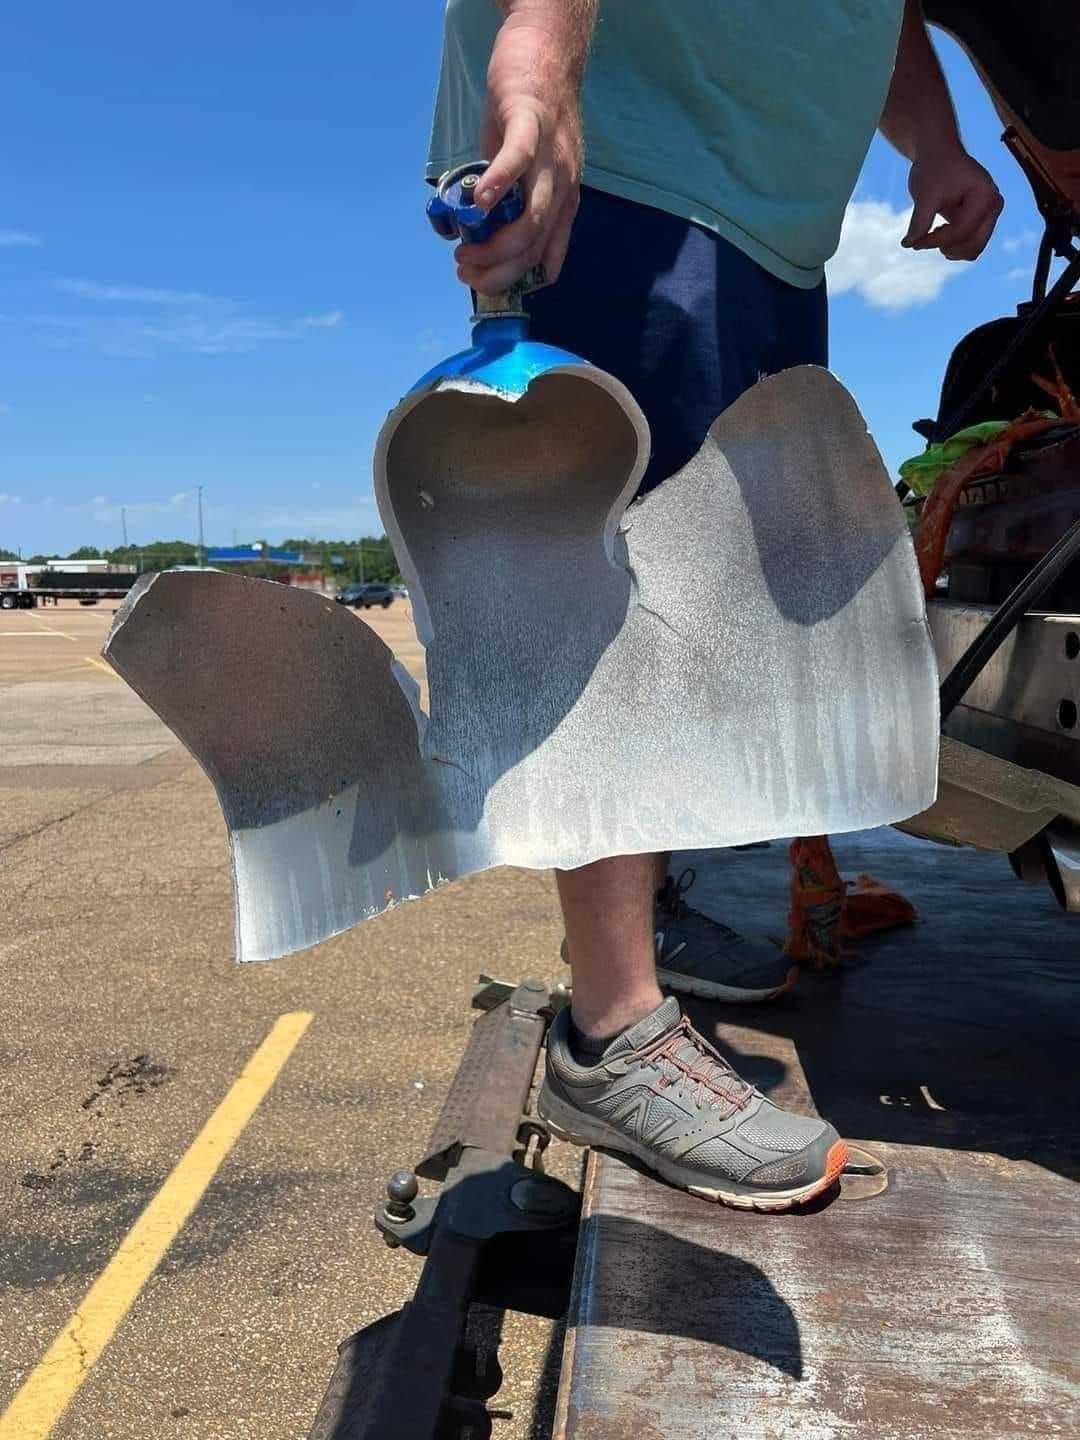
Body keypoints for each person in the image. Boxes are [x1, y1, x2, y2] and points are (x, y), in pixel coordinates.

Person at [427, 0, 1002, 1210]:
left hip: (776, 219)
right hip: (637, 158)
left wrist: (933, 141)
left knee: (727, 570)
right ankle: (613, 1031)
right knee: (621, 571)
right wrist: (536, 69)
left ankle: (659, 906)